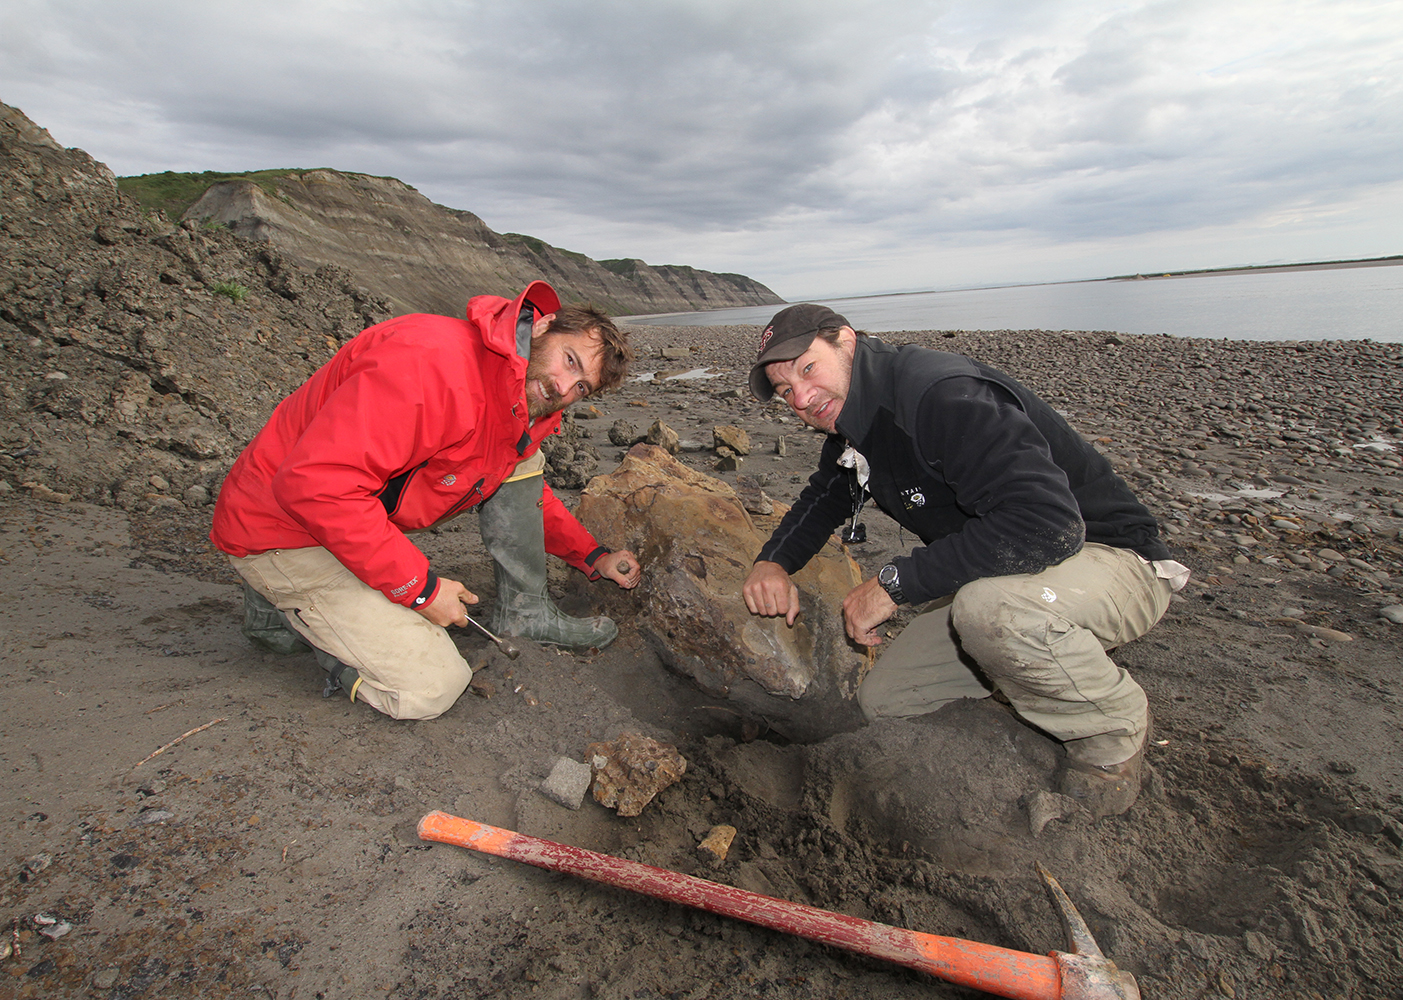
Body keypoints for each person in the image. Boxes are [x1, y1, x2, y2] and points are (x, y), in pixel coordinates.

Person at [741, 303, 1188, 817]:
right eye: (784, 391)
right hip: (1014, 567)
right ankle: (1030, 682)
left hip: (1111, 558)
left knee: (990, 614)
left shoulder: (937, 394)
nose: (801, 396)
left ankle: (1114, 731)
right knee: (888, 699)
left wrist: (894, 582)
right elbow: (826, 495)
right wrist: (772, 561)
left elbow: (1048, 524)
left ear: (844, 340)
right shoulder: (855, 423)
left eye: (807, 369)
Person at [211, 281, 642, 721]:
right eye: (569, 360)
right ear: (544, 325)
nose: (563, 386)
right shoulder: (432, 363)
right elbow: (315, 484)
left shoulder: (512, 395)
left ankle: (524, 612)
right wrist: (421, 589)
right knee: (432, 687)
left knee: (524, 460)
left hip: (340, 515)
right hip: (280, 527)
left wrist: (592, 555)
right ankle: (294, 614)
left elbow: (526, 492)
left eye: (582, 387)